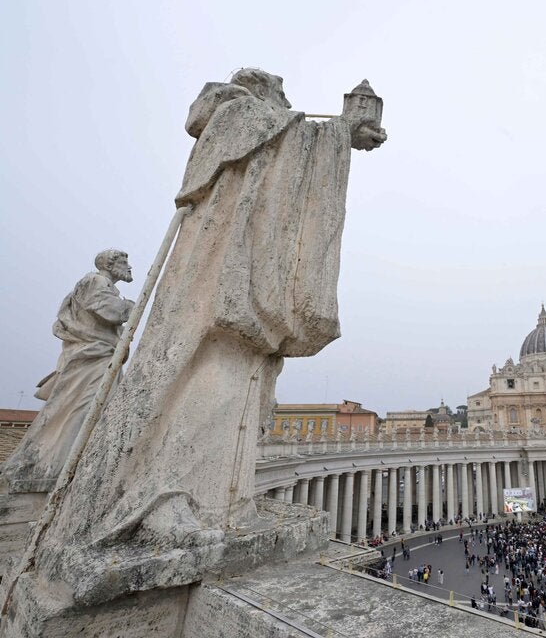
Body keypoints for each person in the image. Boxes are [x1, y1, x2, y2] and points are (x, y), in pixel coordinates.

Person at [25, 70, 387, 605]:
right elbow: (229, 127)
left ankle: (221, 500)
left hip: (245, 276)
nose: (288, 105)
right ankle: (162, 497)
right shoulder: (235, 107)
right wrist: (329, 130)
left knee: (245, 377)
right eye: (281, 96)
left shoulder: (269, 125)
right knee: (206, 377)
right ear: (263, 90)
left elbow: (283, 141)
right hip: (221, 271)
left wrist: (336, 133)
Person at [2, 250, 134, 493]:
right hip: (91, 359)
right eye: (124, 262)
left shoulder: (104, 285)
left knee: (94, 409)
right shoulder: (94, 281)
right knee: (80, 409)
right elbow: (108, 310)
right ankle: (52, 467)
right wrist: (131, 307)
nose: (129, 267)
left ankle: (74, 465)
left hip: (101, 357)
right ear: (109, 264)